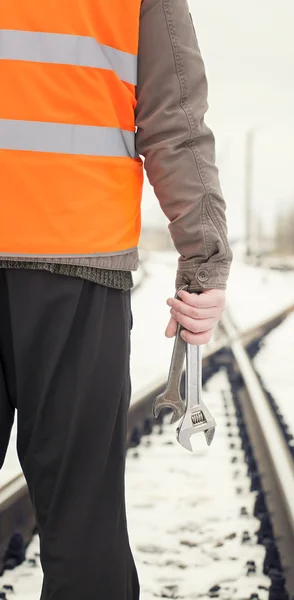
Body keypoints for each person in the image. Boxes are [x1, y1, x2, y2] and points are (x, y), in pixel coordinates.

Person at [0, 0, 232, 597]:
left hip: (83, 259)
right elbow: (174, 118)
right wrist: (203, 261)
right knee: (83, 529)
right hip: (77, 259)